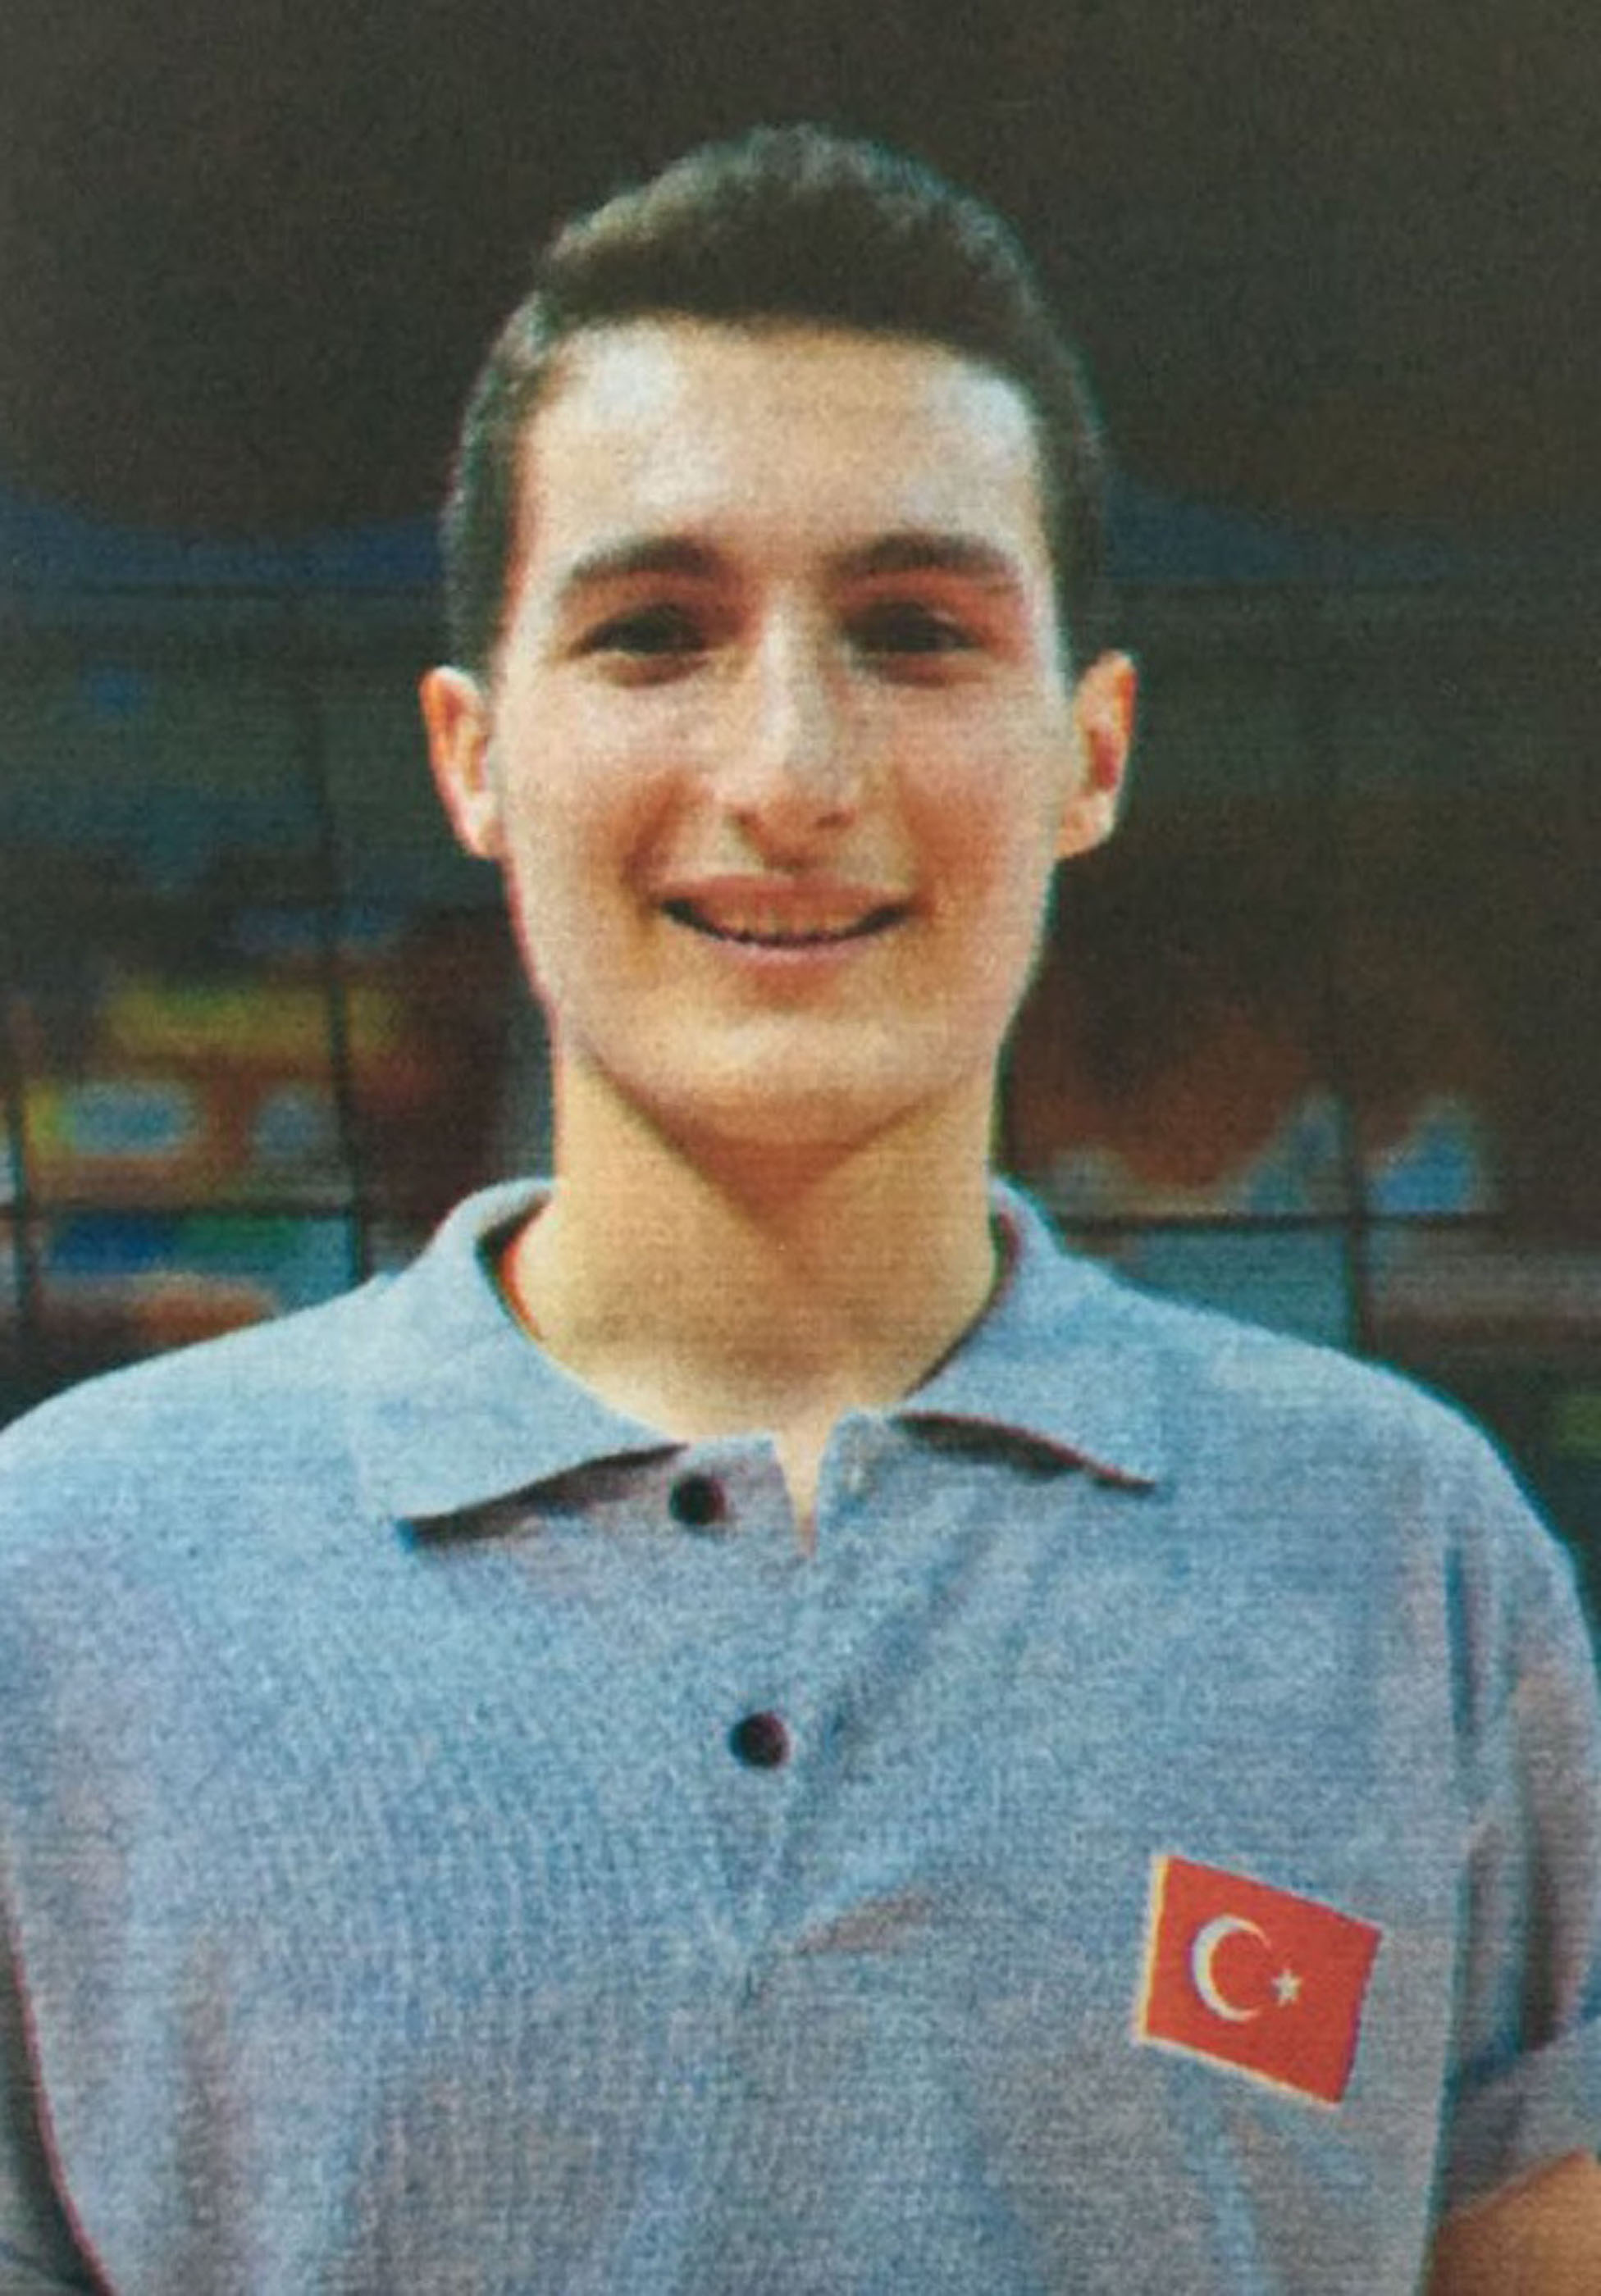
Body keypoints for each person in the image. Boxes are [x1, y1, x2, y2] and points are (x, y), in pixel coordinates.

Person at [1, 125, 1598, 2296]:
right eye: (654, 632)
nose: (789, 774)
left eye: (915, 633)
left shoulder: (1408, 1560)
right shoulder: (73, 1576)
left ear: (1093, 751)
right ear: (473, 755)